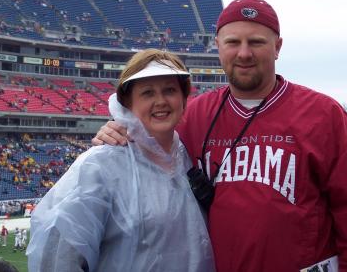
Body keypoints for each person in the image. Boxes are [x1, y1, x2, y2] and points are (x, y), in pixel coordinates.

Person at [93, 0, 347, 271]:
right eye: (233, 42)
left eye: (257, 42)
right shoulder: (195, 115)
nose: (244, 53)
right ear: (218, 46)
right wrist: (119, 131)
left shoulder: (324, 115)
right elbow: (152, 155)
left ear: (277, 46)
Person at [27, 49, 215, 272]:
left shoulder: (192, 157)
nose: (161, 101)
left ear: (184, 100)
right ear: (127, 103)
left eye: (170, 90)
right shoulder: (100, 165)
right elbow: (57, 257)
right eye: (147, 93)